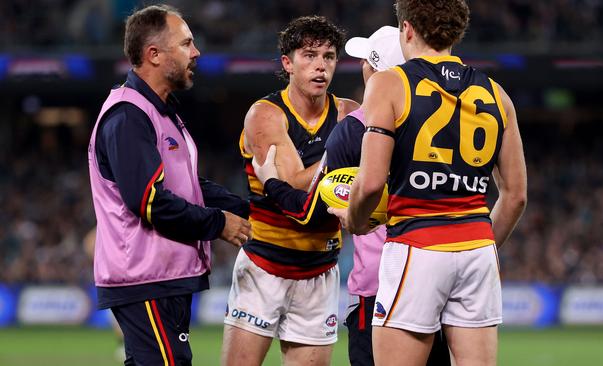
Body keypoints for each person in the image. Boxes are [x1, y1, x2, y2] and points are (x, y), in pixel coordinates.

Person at [329, 1, 528, 365]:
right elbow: (515, 197)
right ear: (456, 32)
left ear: (407, 29)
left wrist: (355, 220)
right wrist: (479, 245)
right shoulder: (497, 94)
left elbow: (372, 182)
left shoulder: (389, 83)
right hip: (477, 249)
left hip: (416, 246)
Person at [252, 26, 452, 366]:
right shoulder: (441, 125)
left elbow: (312, 212)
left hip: (379, 285)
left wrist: (272, 182)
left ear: (373, 69)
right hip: (435, 278)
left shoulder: (356, 127)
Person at [87, 5, 251, 365]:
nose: (196, 53)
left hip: (164, 275)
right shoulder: (128, 115)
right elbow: (149, 202)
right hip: (144, 276)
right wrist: (218, 223)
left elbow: (189, 185)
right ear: (154, 54)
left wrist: (252, 207)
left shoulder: (161, 112)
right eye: (186, 44)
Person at [221, 15, 359, 366]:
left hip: (320, 270)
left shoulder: (348, 112)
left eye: (328, 57)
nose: (320, 66)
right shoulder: (265, 114)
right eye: (309, 55)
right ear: (288, 63)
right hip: (265, 266)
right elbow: (294, 184)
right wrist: (343, 159)